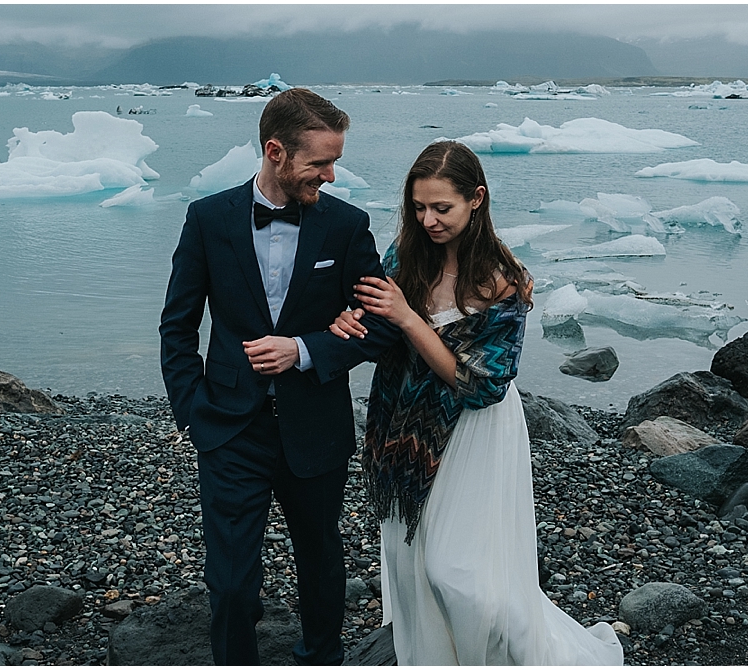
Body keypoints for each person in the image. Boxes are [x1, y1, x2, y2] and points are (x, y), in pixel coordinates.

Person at [329, 141, 624, 665]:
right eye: (419, 207)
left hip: (475, 429)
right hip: (404, 424)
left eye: (442, 208)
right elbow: (380, 332)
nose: (429, 220)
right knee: (409, 556)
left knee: (458, 572)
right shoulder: (404, 258)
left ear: (477, 200)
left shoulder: (501, 280)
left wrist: (406, 317)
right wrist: (351, 322)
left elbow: (481, 383)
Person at [159, 88, 401, 665]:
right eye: (321, 163)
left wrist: (305, 349)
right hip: (228, 429)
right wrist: (193, 413)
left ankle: (321, 658)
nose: (332, 175)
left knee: (320, 562)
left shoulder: (346, 226)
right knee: (232, 581)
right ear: (275, 152)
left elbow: (385, 325)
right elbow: (177, 327)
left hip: (315, 426)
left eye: (335, 160)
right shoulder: (208, 219)